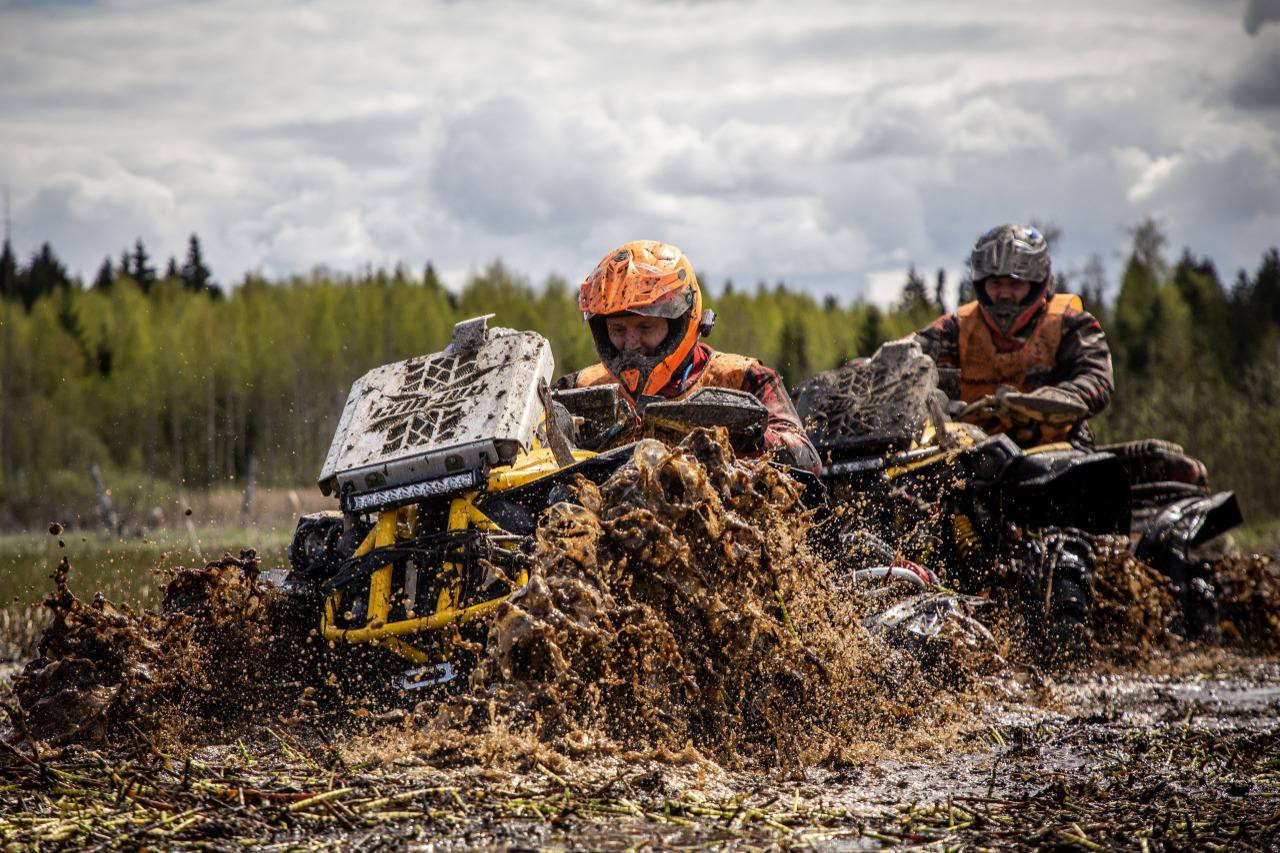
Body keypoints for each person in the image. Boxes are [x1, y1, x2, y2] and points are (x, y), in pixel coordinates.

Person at [555, 240, 821, 472]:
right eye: (618, 329)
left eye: (646, 327)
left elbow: (808, 459)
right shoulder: (578, 389)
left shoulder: (743, 377)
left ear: (681, 322)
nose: (631, 344)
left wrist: (746, 437)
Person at [910, 224, 1114, 448]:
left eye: (1016, 284)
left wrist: (1052, 400)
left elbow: (1098, 380)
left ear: (1037, 283)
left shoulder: (1069, 324)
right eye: (996, 283)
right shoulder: (955, 328)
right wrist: (869, 371)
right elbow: (902, 359)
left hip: (1056, 451)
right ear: (981, 282)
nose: (1004, 293)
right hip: (971, 454)